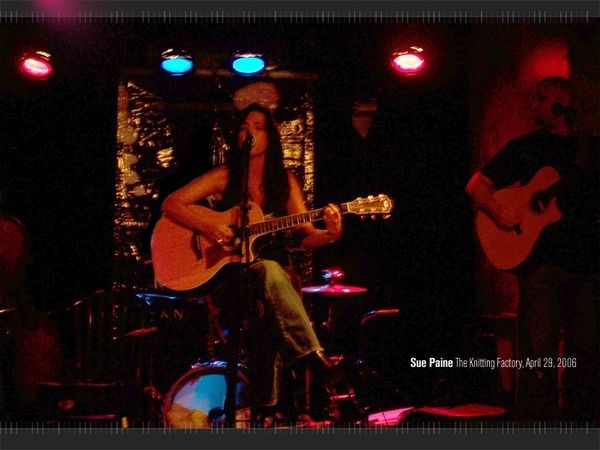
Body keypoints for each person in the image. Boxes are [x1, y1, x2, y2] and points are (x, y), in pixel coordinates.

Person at [161, 103, 344, 426]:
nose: (249, 131)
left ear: (271, 138)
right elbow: (171, 203)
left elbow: (306, 236)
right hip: (230, 280)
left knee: (265, 303)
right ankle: (312, 360)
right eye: (244, 126)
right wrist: (209, 228)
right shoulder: (225, 176)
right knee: (267, 273)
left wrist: (330, 233)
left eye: (258, 127)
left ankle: (266, 408)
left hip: (274, 282)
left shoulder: (284, 182)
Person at [465, 77, 598, 422]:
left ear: (562, 102)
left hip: (587, 264)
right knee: (539, 353)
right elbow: (477, 186)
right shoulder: (526, 147)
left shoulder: (590, 149)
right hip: (541, 266)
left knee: (587, 352)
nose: (534, 104)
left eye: (541, 98)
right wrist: (501, 213)